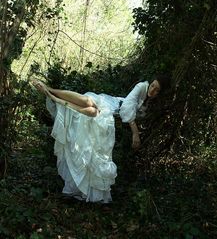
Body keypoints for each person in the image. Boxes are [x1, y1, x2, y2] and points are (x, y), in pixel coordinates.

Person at [32, 75, 169, 203]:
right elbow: (126, 108)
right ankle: (50, 91)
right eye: (152, 86)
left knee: (92, 112)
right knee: (88, 102)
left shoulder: (152, 106)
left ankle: (56, 99)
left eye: (157, 90)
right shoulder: (141, 87)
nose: (152, 90)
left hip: (109, 112)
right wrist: (135, 133)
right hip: (110, 103)